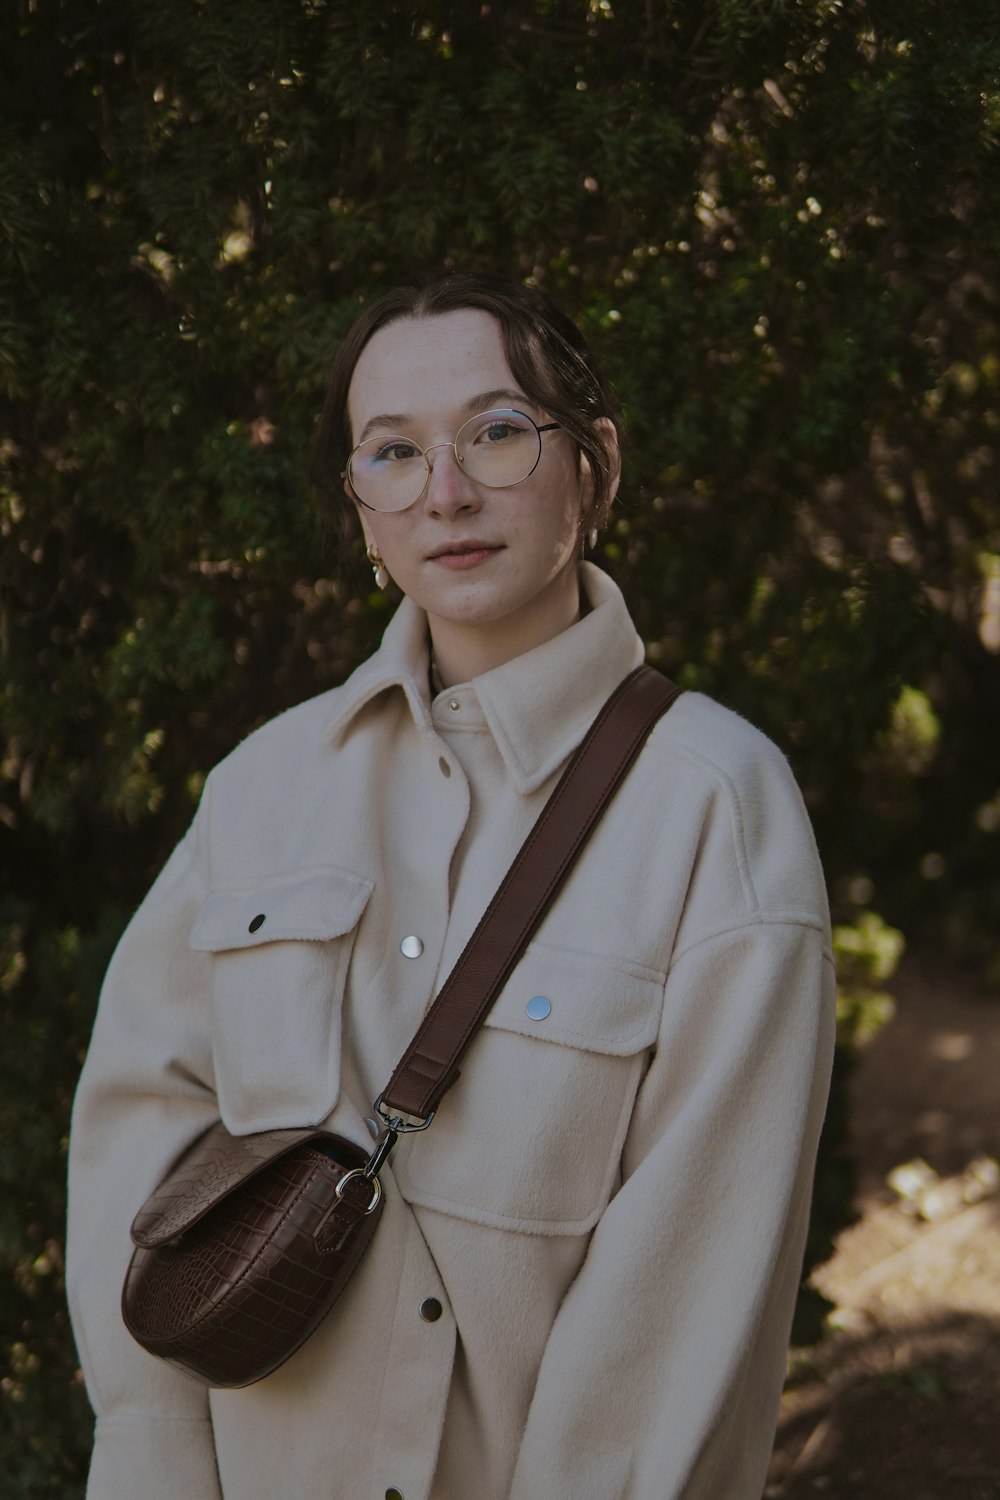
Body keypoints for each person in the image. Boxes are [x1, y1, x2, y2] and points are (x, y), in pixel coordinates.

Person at [67, 270, 836, 1500]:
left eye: (496, 431)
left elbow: (692, 1288)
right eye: (392, 452)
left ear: (593, 464)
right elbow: (133, 1152)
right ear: (358, 507)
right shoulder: (263, 788)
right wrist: (152, 1465)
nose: (446, 492)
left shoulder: (717, 807)